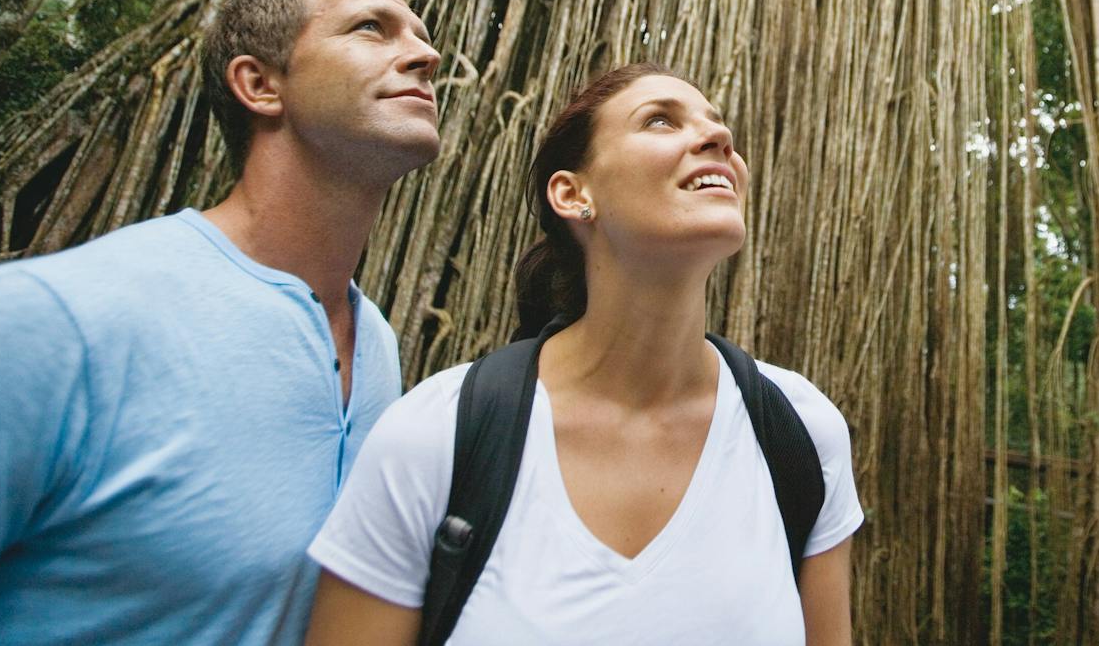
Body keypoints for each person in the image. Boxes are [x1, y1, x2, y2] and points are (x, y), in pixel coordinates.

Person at [0, 0, 442, 645]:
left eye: (419, 33)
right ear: (260, 84)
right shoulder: (49, 327)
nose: (425, 53)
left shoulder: (376, 343)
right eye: (370, 28)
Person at [303, 63, 863, 645]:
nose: (719, 139)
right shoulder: (435, 435)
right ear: (573, 195)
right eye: (661, 121)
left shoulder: (800, 433)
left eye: (718, 126)